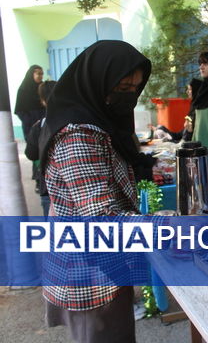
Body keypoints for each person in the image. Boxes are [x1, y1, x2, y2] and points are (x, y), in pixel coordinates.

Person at [39, 40, 151, 342]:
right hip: (90, 275)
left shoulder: (93, 123)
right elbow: (101, 217)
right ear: (97, 81)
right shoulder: (78, 135)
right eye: (122, 87)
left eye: (134, 88)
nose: (127, 96)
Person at [24, 80, 57, 216]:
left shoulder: (39, 126)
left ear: (43, 101)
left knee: (54, 232)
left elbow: (31, 154)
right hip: (75, 189)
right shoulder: (75, 123)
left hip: (48, 189)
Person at [14, 64, 45, 138]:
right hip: (30, 125)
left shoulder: (44, 88)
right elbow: (19, 110)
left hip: (44, 122)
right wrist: (30, 121)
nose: (41, 76)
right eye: (38, 74)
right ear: (31, 74)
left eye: (42, 74)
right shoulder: (23, 90)